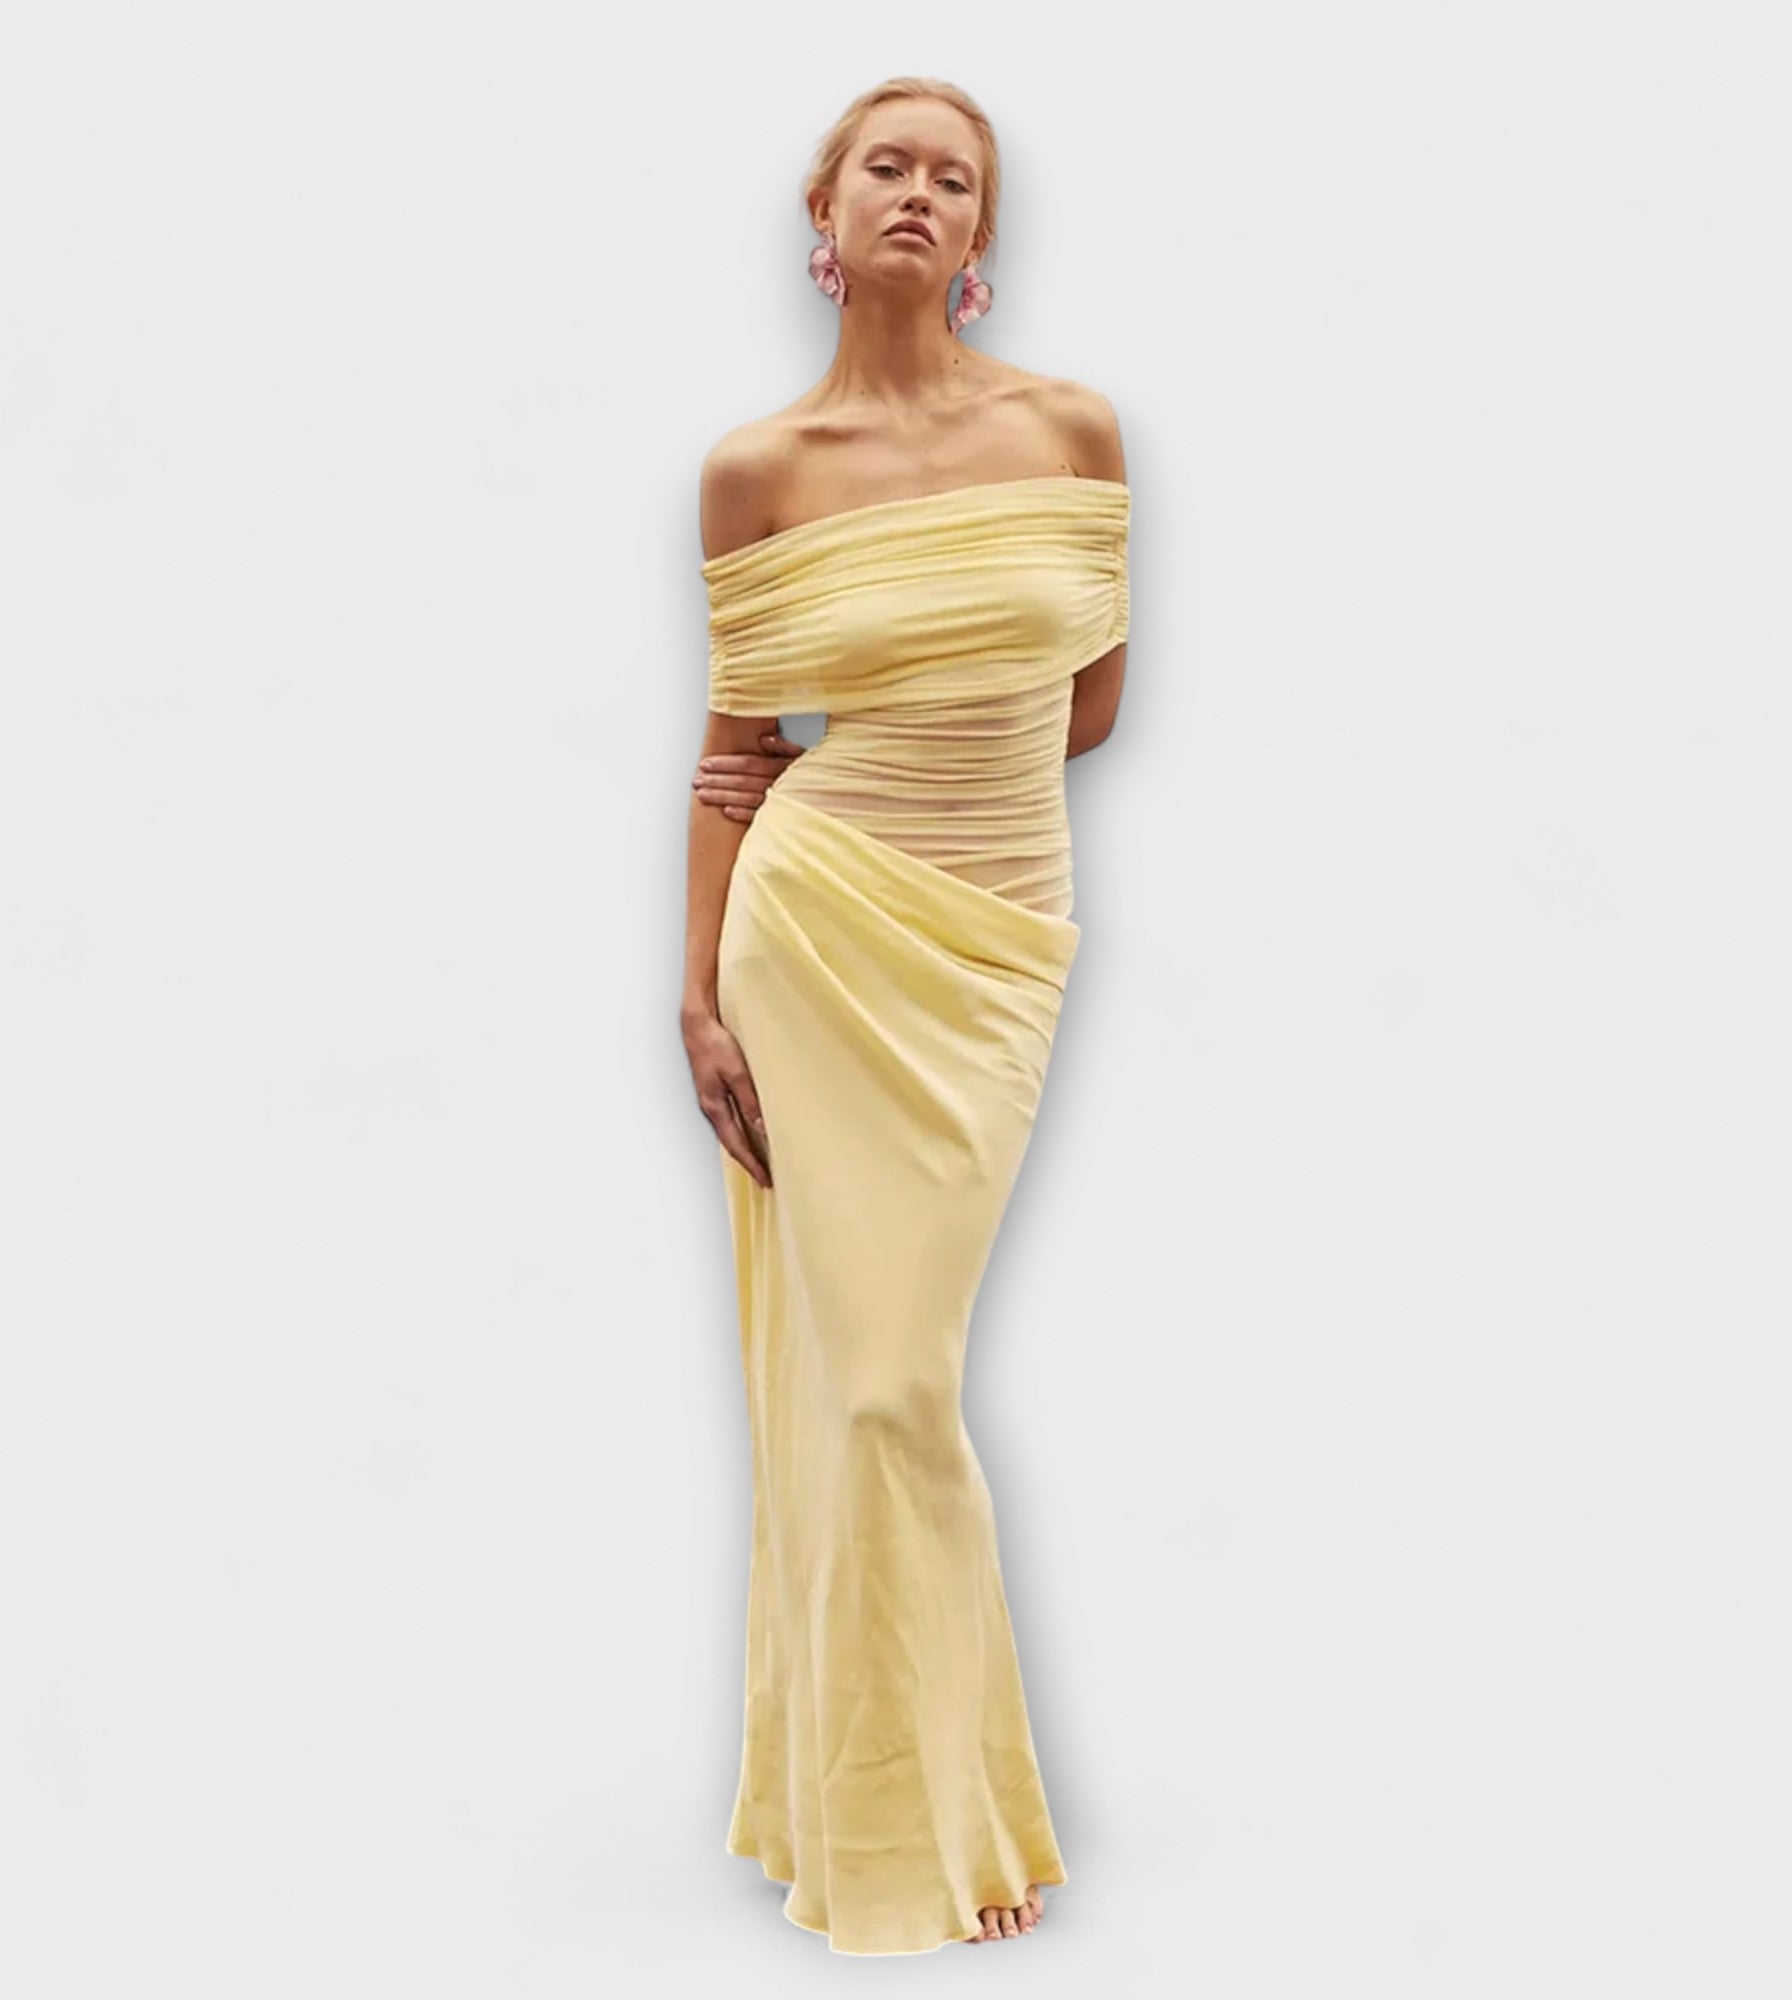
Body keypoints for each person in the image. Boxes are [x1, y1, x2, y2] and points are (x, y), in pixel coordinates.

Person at [681, 75, 1130, 1957]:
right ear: (828, 212)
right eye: (889, 166)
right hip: (812, 941)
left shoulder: (1072, 431)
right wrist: (696, 995)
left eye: (957, 177)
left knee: (894, 1379)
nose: (920, 193)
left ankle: (903, 1794)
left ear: (982, 236)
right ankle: (921, 1818)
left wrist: (943, 774)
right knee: (867, 1385)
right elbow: (734, 756)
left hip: (991, 946)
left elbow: (1085, 704)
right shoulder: (757, 471)